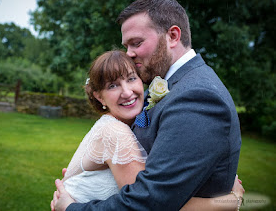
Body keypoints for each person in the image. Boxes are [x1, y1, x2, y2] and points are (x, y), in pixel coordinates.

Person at [51, 50, 244, 211]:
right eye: (112, 86)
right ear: (99, 97)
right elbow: (153, 203)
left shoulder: (127, 123)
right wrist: (231, 201)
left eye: (131, 78)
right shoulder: (114, 133)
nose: (127, 92)